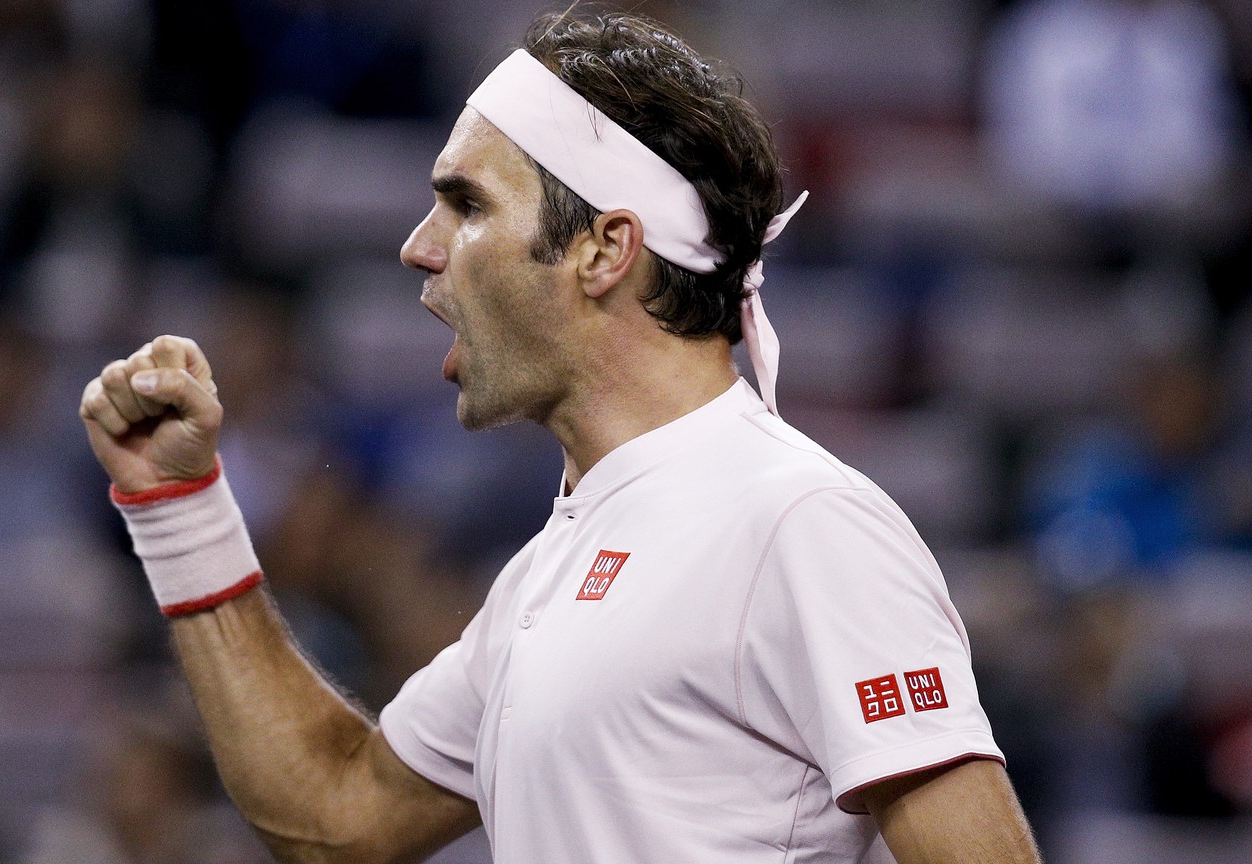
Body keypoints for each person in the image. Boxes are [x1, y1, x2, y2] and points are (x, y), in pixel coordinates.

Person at [79, 10, 1042, 863]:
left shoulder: (802, 522)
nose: (419, 245)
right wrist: (181, 510)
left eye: (467, 204)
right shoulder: (546, 571)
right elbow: (335, 818)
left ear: (604, 249)